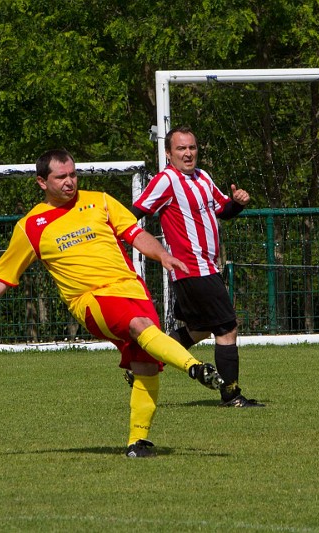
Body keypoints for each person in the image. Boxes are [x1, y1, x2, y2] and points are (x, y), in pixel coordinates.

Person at [0, 149, 224, 458]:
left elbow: (134, 233)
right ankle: (195, 368)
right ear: (42, 182)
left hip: (132, 289)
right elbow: (4, 275)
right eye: (61, 177)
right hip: (90, 300)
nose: (70, 182)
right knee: (140, 327)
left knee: (145, 364)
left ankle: (138, 442)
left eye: (73, 175)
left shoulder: (101, 201)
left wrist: (161, 255)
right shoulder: (31, 226)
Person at [128, 126, 264, 408]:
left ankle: (144, 359)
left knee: (199, 329)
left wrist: (237, 204)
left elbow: (222, 211)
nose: (188, 153)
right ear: (168, 153)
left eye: (192, 147)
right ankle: (232, 395)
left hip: (207, 267)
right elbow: (135, 213)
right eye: (181, 148)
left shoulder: (203, 177)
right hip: (192, 268)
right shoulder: (166, 181)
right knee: (227, 328)